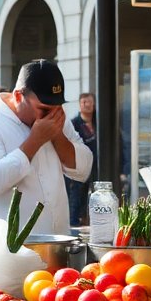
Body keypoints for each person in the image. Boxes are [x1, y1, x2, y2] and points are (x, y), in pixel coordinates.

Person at [0, 60, 93, 235]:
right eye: (43, 109)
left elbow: (84, 168)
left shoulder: (57, 120)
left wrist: (57, 136)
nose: (51, 116)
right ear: (18, 96)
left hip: (56, 246)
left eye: (57, 108)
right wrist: (35, 141)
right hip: (8, 252)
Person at [66, 92, 99, 227]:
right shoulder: (73, 124)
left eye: (89, 102)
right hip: (80, 168)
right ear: (80, 105)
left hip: (98, 167)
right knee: (77, 198)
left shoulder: (100, 122)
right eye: (84, 102)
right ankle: (75, 225)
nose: (87, 105)